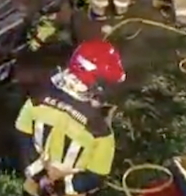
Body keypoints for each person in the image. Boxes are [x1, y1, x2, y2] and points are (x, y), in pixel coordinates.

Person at [15, 40, 124, 196]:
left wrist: (39, 175)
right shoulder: (101, 131)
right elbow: (96, 175)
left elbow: (22, 136)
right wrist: (61, 186)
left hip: (34, 184)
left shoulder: (37, 99)